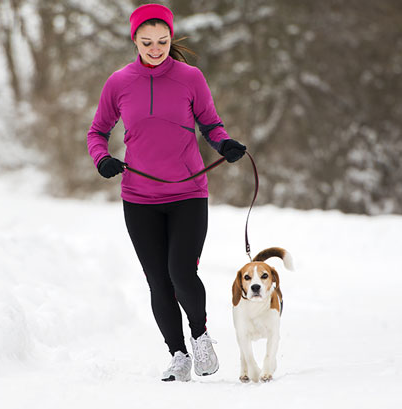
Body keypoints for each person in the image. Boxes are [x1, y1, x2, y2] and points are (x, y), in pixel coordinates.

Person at [86, 3, 247, 382]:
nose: (155, 48)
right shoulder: (119, 82)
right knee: (158, 280)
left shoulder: (190, 77)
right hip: (139, 197)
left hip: (188, 192)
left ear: (171, 38)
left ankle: (200, 336)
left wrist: (224, 145)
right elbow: (97, 132)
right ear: (135, 40)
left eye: (162, 40)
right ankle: (178, 354)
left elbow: (211, 123)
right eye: (147, 42)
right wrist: (102, 159)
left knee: (180, 270)